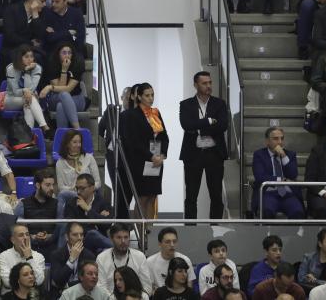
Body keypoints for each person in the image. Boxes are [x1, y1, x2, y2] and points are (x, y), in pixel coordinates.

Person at [178, 71, 228, 220]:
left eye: (210, 82)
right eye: (204, 83)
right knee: (191, 196)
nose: (208, 86)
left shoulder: (219, 104)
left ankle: (215, 229)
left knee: (216, 195)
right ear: (195, 85)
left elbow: (222, 126)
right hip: (193, 154)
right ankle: (190, 229)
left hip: (214, 153)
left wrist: (198, 127)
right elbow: (186, 125)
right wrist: (208, 121)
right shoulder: (186, 104)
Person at [120, 82, 168, 220]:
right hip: (140, 161)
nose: (151, 98)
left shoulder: (155, 113)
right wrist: (150, 156)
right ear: (139, 97)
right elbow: (133, 141)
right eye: (147, 95)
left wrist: (162, 154)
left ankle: (150, 230)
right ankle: (140, 231)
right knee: (142, 198)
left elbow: (164, 136)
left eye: (152, 95)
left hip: (157, 160)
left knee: (152, 196)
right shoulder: (131, 115)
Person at [252, 126, 305, 219]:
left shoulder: (290, 154)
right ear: (267, 141)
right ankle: (269, 233)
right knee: (267, 211)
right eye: (276, 139)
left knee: (298, 212)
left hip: (288, 194)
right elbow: (260, 177)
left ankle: (292, 234)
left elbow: (293, 175)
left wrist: (284, 156)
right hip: (268, 193)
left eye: (282, 138)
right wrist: (282, 180)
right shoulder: (259, 155)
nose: (280, 142)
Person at [40, 40, 87, 128]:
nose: (67, 55)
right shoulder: (52, 65)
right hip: (56, 98)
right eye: (64, 53)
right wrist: (64, 70)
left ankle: (63, 137)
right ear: (58, 54)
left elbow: (68, 89)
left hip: (76, 99)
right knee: (63, 95)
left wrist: (49, 87)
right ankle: (78, 129)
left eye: (69, 53)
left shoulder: (77, 65)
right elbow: (60, 89)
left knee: (61, 106)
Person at [97, 224, 153, 297]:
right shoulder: (101, 258)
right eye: (119, 237)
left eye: (126, 237)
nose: (123, 241)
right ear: (111, 239)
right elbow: (101, 288)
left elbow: (147, 287)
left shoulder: (139, 256)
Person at [4, 44, 50, 132]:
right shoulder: (11, 69)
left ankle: (29, 135)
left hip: (27, 99)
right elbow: (15, 92)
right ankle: (44, 126)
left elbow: (31, 89)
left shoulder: (37, 68)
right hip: (11, 99)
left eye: (32, 56)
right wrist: (25, 90)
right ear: (20, 57)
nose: (30, 59)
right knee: (30, 98)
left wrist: (27, 71)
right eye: (26, 57)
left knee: (28, 104)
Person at [63, 173, 112, 252]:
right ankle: (116, 247)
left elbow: (107, 224)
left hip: (100, 243)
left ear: (92, 188)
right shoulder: (72, 203)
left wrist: (88, 210)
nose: (78, 191)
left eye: (82, 188)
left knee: (103, 251)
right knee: (92, 233)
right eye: (77, 188)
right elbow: (71, 226)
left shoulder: (103, 202)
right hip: (81, 241)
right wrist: (97, 219)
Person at [15, 168, 57, 257]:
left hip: (52, 247)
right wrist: (32, 237)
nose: (52, 188)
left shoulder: (57, 204)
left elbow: (60, 230)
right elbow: (17, 230)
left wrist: (50, 236)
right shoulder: (23, 204)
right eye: (48, 185)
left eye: (53, 185)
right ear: (38, 185)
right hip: (29, 246)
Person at [0, 0, 46, 66]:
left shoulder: (41, 13)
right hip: (13, 49)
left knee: (42, 57)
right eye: (43, 1)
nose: (45, 4)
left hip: (31, 50)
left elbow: (41, 36)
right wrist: (30, 43)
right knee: (35, 58)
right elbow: (10, 36)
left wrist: (35, 15)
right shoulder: (12, 10)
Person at [56, 131, 102, 209]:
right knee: (62, 195)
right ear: (67, 144)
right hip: (71, 194)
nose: (78, 145)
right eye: (75, 142)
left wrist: (86, 189)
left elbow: (98, 182)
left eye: (80, 142)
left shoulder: (89, 158)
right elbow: (61, 187)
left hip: (88, 193)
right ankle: (60, 221)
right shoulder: (60, 163)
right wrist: (75, 188)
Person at [50, 223, 97, 293]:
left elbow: (89, 280)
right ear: (66, 237)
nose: (79, 238)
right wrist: (71, 260)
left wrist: (68, 285)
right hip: (60, 294)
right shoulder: (56, 255)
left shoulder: (89, 256)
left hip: (82, 293)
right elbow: (58, 280)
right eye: (75, 235)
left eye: (81, 234)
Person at [0, 225, 46, 293]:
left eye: (27, 234)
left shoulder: (39, 256)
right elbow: (7, 282)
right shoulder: (4, 256)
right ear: (13, 240)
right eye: (21, 235)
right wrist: (29, 282)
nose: (25, 238)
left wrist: (29, 258)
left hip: (31, 295)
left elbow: (39, 280)